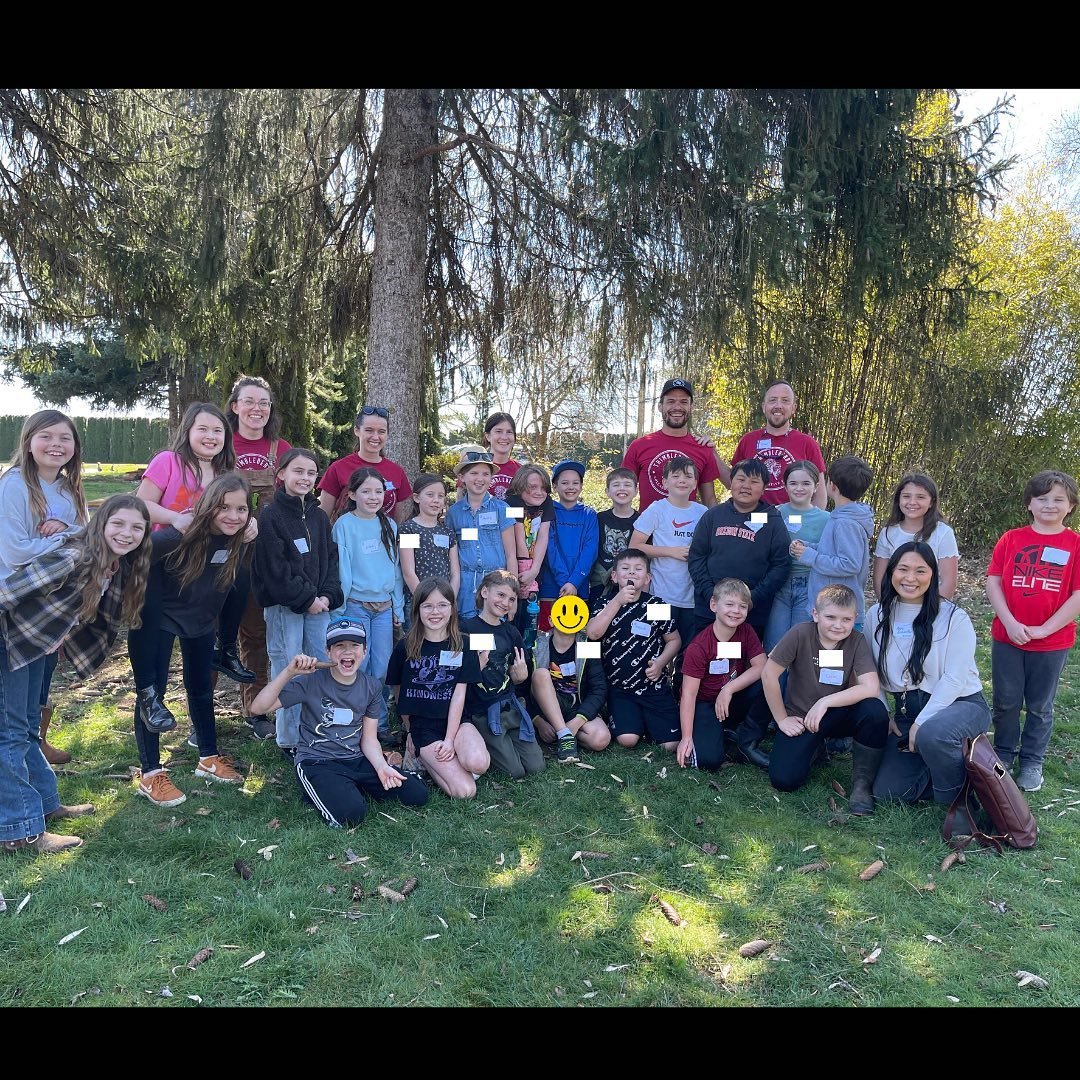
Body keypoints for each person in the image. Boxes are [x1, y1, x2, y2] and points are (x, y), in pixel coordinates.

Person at [1, 493, 151, 854]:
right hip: (10, 645)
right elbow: (7, 591)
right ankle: (16, 830)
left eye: (136, 527)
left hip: (35, 648)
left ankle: (45, 805)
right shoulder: (73, 557)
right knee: (8, 734)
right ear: (100, 524)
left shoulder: (113, 567)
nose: (126, 533)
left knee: (24, 728)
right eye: (118, 523)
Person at [127, 475, 254, 807]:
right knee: (152, 693)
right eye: (224, 507)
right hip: (161, 620)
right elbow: (135, 557)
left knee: (200, 687)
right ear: (208, 506)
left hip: (200, 621)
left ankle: (208, 757)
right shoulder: (177, 535)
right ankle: (151, 773)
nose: (233, 515)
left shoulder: (238, 538)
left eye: (242, 509)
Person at [250, 617, 428, 827]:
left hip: (355, 758)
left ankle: (347, 786)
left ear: (364, 651)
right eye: (339, 646)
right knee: (351, 814)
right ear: (328, 651)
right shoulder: (311, 681)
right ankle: (326, 790)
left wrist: (381, 766)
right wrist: (289, 672)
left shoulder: (370, 687)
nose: (347, 652)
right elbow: (258, 708)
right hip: (318, 761)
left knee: (417, 793)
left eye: (354, 646)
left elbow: (369, 739)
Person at [136, 401, 257, 683]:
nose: (211, 436)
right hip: (167, 561)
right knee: (157, 663)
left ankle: (226, 646)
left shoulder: (227, 473)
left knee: (243, 572)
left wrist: (251, 522)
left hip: (208, 563)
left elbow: (237, 509)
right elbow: (139, 505)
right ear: (187, 431)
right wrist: (174, 518)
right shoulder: (168, 461)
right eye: (203, 429)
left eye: (218, 431)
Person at [866, 543, 990, 807]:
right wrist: (883, 709)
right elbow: (869, 670)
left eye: (921, 571)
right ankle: (958, 769)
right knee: (889, 793)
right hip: (905, 711)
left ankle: (958, 805)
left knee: (933, 735)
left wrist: (922, 723)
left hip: (960, 704)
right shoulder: (875, 615)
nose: (911, 578)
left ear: (933, 576)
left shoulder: (953, 617)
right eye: (903, 569)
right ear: (891, 573)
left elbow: (955, 679)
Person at [0, 409, 88, 766]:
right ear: (29, 441)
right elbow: (15, 550)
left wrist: (68, 535)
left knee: (41, 684)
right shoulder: (15, 484)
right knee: (14, 713)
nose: (56, 444)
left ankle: (38, 762)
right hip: (17, 606)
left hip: (56, 603)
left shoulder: (69, 488)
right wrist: (67, 540)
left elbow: (88, 539)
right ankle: (19, 807)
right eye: (46, 436)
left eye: (65, 437)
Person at [986, 470, 1080, 792]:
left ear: (1071, 506)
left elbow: (1077, 595)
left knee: (1040, 705)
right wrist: (1011, 623)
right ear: (1029, 503)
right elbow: (994, 581)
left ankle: (1032, 760)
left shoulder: (1075, 545)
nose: (1049, 505)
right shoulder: (1011, 539)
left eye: (1058, 499)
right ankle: (1004, 752)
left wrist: (1044, 630)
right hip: (1008, 637)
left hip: (1052, 643)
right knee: (1006, 700)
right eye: (1042, 498)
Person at [756, 584, 889, 811]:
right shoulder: (800, 633)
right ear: (816, 614)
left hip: (839, 713)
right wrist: (781, 719)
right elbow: (769, 674)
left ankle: (861, 785)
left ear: (855, 618)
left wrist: (825, 702)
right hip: (802, 718)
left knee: (875, 711)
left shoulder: (856, 641)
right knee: (784, 780)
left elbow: (870, 687)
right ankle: (815, 747)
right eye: (830, 617)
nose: (838, 625)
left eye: (846, 619)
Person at [251, 448, 343, 750]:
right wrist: (306, 598)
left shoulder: (318, 516)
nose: (305, 478)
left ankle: (316, 729)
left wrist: (328, 595)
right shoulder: (270, 516)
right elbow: (275, 571)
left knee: (320, 665)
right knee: (288, 669)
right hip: (285, 608)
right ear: (282, 474)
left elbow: (330, 558)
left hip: (319, 607)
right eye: (298, 471)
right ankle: (289, 739)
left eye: (311, 473)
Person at [224, 375, 293, 732]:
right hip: (220, 551)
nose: (257, 409)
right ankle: (199, 714)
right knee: (209, 633)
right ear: (234, 407)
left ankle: (255, 709)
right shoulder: (219, 442)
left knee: (255, 633)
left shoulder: (280, 449)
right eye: (249, 402)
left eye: (264, 403)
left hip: (263, 555)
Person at [386, 577, 490, 798]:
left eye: (442, 605)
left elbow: (459, 695)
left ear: (452, 609)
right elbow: (398, 691)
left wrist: (450, 740)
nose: (435, 612)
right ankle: (425, 758)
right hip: (424, 727)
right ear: (418, 609)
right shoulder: (405, 646)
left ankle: (448, 759)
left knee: (479, 763)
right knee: (465, 791)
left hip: (458, 722)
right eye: (428, 606)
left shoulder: (464, 644)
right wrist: (409, 729)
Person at [332, 467, 404, 736]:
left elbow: (395, 569)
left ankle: (379, 723)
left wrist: (398, 606)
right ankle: (353, 723)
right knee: (356, 665)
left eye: (378, 491)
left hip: (384, 608)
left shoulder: (390, 524)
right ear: (353, 494)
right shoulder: (344, 526)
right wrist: (338, 609)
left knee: (382, 667)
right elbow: (342, 569)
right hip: (356, 605)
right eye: (366, 491)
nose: (374, 497)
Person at [586, 548, 681, 751]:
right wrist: (618, 601)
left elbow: (674, 641)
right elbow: (593, 633)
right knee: (627, 740)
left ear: (647, 578)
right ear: (614, 576)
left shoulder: (656, 605)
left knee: (670, 745)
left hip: (652, 686)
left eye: (638, 569)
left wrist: (661, 662)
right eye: (625, 568)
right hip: (619, 687)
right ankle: (631, 722)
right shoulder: (604, 602)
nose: (631, 573)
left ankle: (648, 721)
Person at [687, 458, 789, 642]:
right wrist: (712, 595)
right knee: (701, 658)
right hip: (709, 608)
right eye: (741, 479)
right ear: (731, 482)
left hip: (752, 612)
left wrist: (752, 599)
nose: (746, 486)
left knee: (745, 662)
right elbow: (696, 557)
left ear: (764, 488)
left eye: (754, 481)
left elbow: (781, 565)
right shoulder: (713, 516)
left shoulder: (773, 520)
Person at [461, 570, 544, 779]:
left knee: (536, 767)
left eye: (511, 599)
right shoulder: (465, 629)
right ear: (485, 592)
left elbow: (518, 671)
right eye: (501, 595)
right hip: (482, 709)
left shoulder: (511, 632)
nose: (505, 602)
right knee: (514, 772)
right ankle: (481, 741)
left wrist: (520, 677)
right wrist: (474, 668)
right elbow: (455, 675)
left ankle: (507, 742)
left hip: (509, 705)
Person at [676, 579, 766, 772]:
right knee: (710, 762)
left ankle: (746, 741)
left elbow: (761, 666)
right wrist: (686, 737)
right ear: (713, 605)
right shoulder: (699, 646)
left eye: (742, 606)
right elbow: (689, 694)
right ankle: (721, 733)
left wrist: (729, 689)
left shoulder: (747, 631)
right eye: (730, 604)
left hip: (733, 695)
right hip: (706, 703)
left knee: (767, 683)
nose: (736, 611)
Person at [631, 456, 708, 651]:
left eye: (688, 476)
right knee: (655, 647)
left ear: (694, 484)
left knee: (689, 650)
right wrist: (670, 552)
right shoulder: (657, 509)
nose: (682, 480)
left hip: (692, 598)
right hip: (660, 596)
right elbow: (635, 546)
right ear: (664, 482)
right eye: (676, 476)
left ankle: (682, 683)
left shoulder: (703, 512)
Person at [789, 455, 875, 629]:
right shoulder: (840, 516)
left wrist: (811, 556)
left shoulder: (846, 523)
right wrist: (808, 547)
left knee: (833, 656)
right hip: (829, 608)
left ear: (832, 485)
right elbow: (832, 550)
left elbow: (849, 564)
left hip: (839, 613)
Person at [621, 378, 723, 510]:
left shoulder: (702, 448)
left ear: (691, 407)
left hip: (687, 529)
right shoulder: (639, 446)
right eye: (671, 401)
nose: (677, 407)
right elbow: (622, 491)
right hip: (647, 530)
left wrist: (713, 528)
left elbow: (709, 499)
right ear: (660, 406)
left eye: (684, 402)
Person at [763, 461, 831, 651]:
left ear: (816, 487)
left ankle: (796, 682)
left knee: (800, 645)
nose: (799, 488)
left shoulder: (827, 519)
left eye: (806, 483)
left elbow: (829, 554)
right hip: (779, 584)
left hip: (809, 586)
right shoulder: (774, 513)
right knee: (774, 646)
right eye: (793, 483)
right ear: (785, 486)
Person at [730, 380, 827, 507]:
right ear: (763, 407)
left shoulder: (807, 443)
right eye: (772, 400)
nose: (778, 405)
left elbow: (820, 493)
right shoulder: (748, 440)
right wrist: (712, 452)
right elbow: (733, 482)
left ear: (793, 408)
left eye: (785, 400)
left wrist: (813, 522)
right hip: (754, 517)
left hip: (792, 519)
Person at [446, 446, 516, 619]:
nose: (480, 479)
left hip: (497, 586)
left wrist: (514, 598)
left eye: (485, 474)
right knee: (469, 637)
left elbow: (511, 555)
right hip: (466, 588)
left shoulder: (502, 508)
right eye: (474, 473)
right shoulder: (453, 513)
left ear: (491, 478)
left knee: (492, 639)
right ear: (462, 478)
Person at [530, 618, 610, 763]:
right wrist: (538, 721)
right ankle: (564, 734)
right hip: (547, 708)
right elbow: (521, 690)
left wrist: (577, 722)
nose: (569, 618)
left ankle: (564, 735)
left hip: (577, 707)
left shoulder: (587, 645)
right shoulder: (538, 645)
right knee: (540, 674)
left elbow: (599, 689)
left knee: (601, 739)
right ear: (551, 620)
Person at [317, 405, 413, 525]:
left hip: (384, 541)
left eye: (381, 432)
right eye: (369, 430)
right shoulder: (338, 468)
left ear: (387, 434)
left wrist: (404, 543)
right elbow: (322, 518)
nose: (375, 437)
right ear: (357, 430)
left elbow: (400, 522)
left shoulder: (397, 472)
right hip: (346, 541)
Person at [873, 473, 959, 600]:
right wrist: (890, 608)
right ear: (898, 500)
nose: (912, 502)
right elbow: (880, 581)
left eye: (920, 497)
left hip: (932, 609)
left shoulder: (943, 533)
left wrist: (930, 612)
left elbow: (948, 583)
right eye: (906, 496)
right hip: (895, 606)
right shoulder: (888, 533)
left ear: (931, 502)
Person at [538, 460, 599, 632]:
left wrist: (574, 582)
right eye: (564, 483)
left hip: (579, 586)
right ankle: (545, 661)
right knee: (547, 631)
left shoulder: (589, 514)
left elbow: (590, 550)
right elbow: (549, 549)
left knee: (578, 633)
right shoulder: (548, 511)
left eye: (575, 483)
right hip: (551, 587)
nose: (570, 487)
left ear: (581, 486)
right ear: (555, 486)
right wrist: (566, 581)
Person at [399, 473, 460, 623]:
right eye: (430, 495)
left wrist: (447, 601)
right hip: (417, 602)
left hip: (444, 604)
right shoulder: (409, 529)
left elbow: (455, 573)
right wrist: (426, 601)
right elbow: (408, 573)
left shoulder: (447, 531)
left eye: (440, 496)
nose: (436, 500)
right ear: (416, 497)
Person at [505, 465, 554, 613]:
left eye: (543, 488)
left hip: (534, 567)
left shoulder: (546, 502)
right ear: (520, 486)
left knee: (530, 613)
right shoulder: (512, 502)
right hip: (515, 565)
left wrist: (534, 571)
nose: (539, 492)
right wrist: (525, 573)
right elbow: (519, 539)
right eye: (533, 487)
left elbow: (543, 536)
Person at [589, 467, 638, 601]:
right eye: (616, 485)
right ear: (607, 492)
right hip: (599, 582)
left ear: (636, 491)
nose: (622, 488)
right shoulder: (599, 518)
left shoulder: (642, 521)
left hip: (630, 583)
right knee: (597, 618)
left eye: (627, 485)